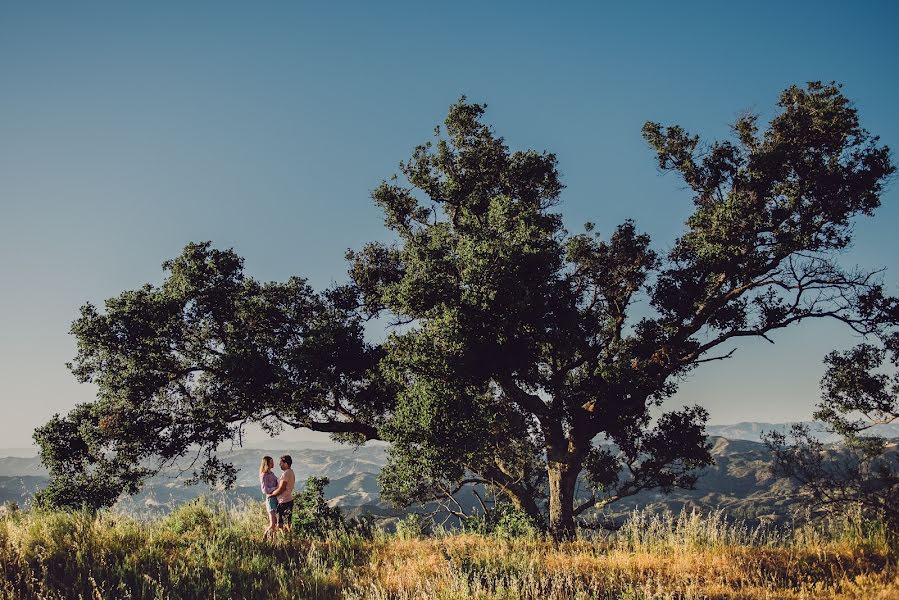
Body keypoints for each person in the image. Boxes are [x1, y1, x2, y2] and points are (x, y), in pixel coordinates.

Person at [267, 455, 296, 532]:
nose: (279, 465)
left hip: (283, 502)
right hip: (289, 500)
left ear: (286, 464)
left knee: (280, 524)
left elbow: (282, 488)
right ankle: (289, 538)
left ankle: (285, 539)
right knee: (288, 522)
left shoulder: (286, 473)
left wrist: (272, 494)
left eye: (281, 463)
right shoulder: (291, 472)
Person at [259, 455, 279, 540]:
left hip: (276, 498)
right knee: (272, 524)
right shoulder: (264, 475)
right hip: (270, 500)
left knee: (275, 523)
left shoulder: (271, 473)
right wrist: (276, 488)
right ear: (266, 464)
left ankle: (272, 541)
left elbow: (277, 481)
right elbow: (265, 490)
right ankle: (263, 540)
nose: (273, 463)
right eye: (271, 462)